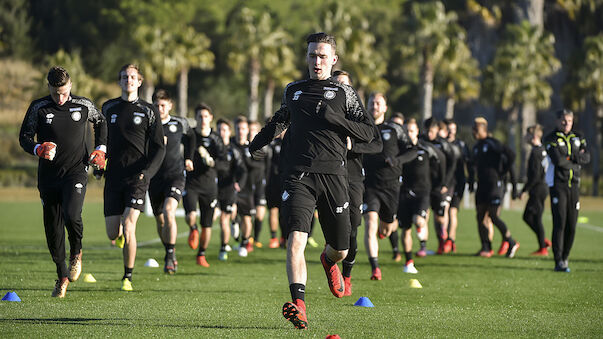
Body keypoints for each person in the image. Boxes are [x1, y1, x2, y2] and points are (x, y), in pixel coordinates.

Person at [249, 32, 375, 329]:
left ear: (333, 59)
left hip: (334, 175)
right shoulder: (294, 89)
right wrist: (258, 142)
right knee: (295, 240)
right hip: (298, 175)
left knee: (341, 248)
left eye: (322, 56)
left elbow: (369, 133)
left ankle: (328, 261)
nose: (316, 61)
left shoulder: (345, 93)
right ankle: (300, 306)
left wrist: (337, 120)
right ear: (306, 58)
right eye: (312, 56)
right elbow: (281, 119)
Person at [19, 66, 107, 297]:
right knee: (53, 229)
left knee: (72, 214)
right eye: (56, 93)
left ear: (70, 86)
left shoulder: (83, 104)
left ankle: (76, 252)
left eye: (65, 92)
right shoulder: (39, 107)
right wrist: (38, 148)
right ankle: (61, 276)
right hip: (48, 176)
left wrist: (100, 149)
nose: (61, 98)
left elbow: (101, 122)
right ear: (48, 87)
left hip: (76, 172)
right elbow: (24, 137)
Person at [102, 64, 165, 291]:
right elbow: (101, 141)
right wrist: (99, 163)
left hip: (137, 177)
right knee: (113, 232)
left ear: (139, 82)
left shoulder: (149, 111)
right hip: (113, 177)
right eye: (124, 77)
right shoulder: (108, 107)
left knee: (129, 226)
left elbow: (159, 147)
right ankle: (119, 237)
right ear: (119, 81)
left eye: (132, 77)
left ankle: (127, 277)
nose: (128, 80)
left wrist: (147, 173)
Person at [333, 70, 383, 295]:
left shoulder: (358, 116)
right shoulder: (325, 111)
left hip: (353, 178)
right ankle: (331, 263)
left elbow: (376, 144)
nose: (341, 88)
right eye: (337, 84)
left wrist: (353, 146)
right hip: (330, 176)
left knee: (352, 229)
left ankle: (347, 274)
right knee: (333, 228)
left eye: (345, 84)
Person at [362, 92, 415, 280]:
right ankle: (375, 267)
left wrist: (397, 160)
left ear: (385, 107)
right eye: (371, 103)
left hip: (392, 187)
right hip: (369, 186)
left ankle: (384, 230)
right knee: (370, 223)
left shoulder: (395, 129)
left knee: (387, 228)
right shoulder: (362, 127)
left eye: (378, 103)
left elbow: (412, 151)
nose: (374, 106)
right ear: (367, 106)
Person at [149, 89, 194, 273]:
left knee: (169, 212)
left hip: (175, 175)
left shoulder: (179, 123)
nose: (160, 109)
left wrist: (188, 158)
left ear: (170, 106)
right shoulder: (148, 125)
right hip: (154, 178)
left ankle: (170, 254)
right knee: (160, 221)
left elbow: (191, 137)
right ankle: (168, 248)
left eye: (163, 105)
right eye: (156, 105)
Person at [544, 109, 590, 272]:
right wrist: (576, 158)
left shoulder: (578, 136)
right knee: (560, 223)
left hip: (574, 185)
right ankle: (558, 261)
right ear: (557, 121)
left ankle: (565, 258)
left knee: (572, 224)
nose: (566, 124)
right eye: (563, 121)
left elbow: (587, 158)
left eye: (569, 121)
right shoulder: (551, 138)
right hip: (558, 186)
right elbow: (558, 161)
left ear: (572, 121)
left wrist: (571, 158)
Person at [468, 117, 519, 258]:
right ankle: (486, 247)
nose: (474, 131)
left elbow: (511, 155)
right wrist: (471, 182)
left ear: (484, 129)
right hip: (482, 185)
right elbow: (472, 165)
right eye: (473, 128)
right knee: (480, 216)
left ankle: (510, 241)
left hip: (494, 185)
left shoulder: (493, 143)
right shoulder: (477, 146)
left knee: (493, 216)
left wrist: (503, 173)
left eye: (476, 129)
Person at [183, 103, 226, 267]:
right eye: (199, 117)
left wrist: (213, 163)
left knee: (207, 224)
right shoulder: (190, 136)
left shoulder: (216, 139)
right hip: (192, 184)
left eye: (205, 117)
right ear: (196, 118)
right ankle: (193, 228)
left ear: (211, 118)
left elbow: (225, 164)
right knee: (191, 215)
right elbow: (181, 152)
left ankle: (201, 254)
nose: (203, 120)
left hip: (209, 187)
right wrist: (186, 161)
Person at [397, 119, 443, 274]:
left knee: (419, 221)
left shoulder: (425, 149)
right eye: (406, 131)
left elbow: (441, 160)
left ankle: (422, 236)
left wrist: (440, 182)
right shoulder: (401, 150)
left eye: (411, 130)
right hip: (404, 193)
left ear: (417, 131)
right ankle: (409, 261)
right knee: (405, 230)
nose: (409, 134)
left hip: (423, 192)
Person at [420, 118, 458, 255]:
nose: (429, 133)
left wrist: (445, 183)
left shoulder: (443, 144)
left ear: (437, 130)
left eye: (431, 131)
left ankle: (443, 237)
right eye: (426, 131)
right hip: (424, 184)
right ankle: (423, 247)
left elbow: (452, 164)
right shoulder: (420, 142)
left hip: (440, 185)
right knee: (424, 215)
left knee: (440, 216)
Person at [215, 118, 247, 260]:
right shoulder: (212, 147)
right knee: (217, 218)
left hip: (228, 188)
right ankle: (235, 222)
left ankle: (223, 248)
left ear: (229, 132)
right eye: (219, 130)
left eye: (224, 130)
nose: (221, 133)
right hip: (212, 187)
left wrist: (239, 182)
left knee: (223, 219)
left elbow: (242, 169)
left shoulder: (233, 151)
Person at [521, 124, 551, 256]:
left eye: (527, 134)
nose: (525, 137)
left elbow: (534, 175)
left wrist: (524, 190)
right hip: (542, 187)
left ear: (533, 136)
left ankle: (543, 247)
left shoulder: (535, 153)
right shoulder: (543, 150)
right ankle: (542, 241)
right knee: (528, 217)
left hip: (538, 188)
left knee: (535, 218)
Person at [445, 119, 470, 253]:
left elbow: (468, 163)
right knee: (443, 212)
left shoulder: (460, 145)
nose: (450, 132)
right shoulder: (441, 144)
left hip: (457, 182)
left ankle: (451, 239)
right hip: (444, 183)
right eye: (448, 129)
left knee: (452, 212)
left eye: (453, 129)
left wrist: (470, 180)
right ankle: (444, 240)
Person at [265, 129, 287, 248]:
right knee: (273, 209)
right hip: (273, 182)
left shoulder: (292, 141)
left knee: (285, 212)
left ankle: (284, 237)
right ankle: (273, 237)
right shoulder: (273, 144)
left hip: (286, 182)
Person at [249, 120, 268, 248]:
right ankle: (246, 238)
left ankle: (256, 238)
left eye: (254, 130)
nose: (251, 132)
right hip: (246, 184)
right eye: (250, 130)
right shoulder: (243, 147)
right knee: (247, 214)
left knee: (260, 213)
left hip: (260, 182)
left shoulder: (264, 147)